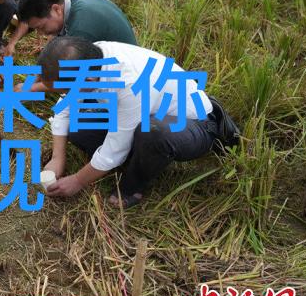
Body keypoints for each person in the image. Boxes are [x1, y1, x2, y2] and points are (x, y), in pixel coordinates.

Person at [39, 36, 237, 208]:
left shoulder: (130, 83)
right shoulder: (89, 56)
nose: (64, 96)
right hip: (141, 113)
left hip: (194, 124)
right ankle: (139, 155)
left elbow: (113, 150)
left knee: (151, 132)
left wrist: (78, 181)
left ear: (88, 81)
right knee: (77, 126)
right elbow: (64, 107)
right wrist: (58, 157)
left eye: (65, 91)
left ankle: (133, 187)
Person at [13, 0, 137, 92]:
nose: (40, 33)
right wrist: (34, 78)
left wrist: (30, 88)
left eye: (41, 27)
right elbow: (53, 46)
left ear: (56, 9)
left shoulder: (81, 30)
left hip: (126, 74)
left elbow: (69, 79)